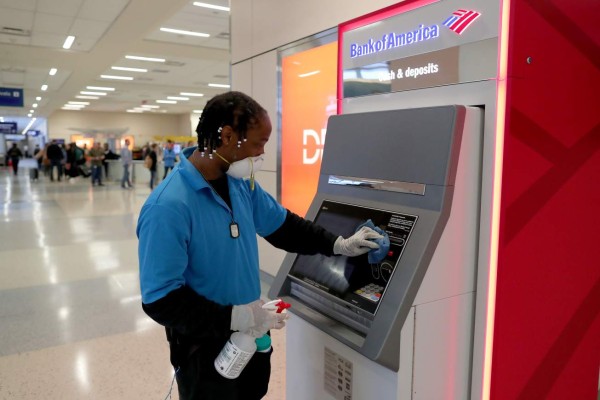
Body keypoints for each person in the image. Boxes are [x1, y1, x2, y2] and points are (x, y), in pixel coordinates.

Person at [137, 91, 382, 400]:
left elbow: (284, 227)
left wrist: (338, 244)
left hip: (251, 338)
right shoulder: (168, 206)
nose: (262, 153)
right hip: (204, 349)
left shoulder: (240, 185)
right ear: (227, 136)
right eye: (257, 143)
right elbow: (161, 299)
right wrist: (235, 317)